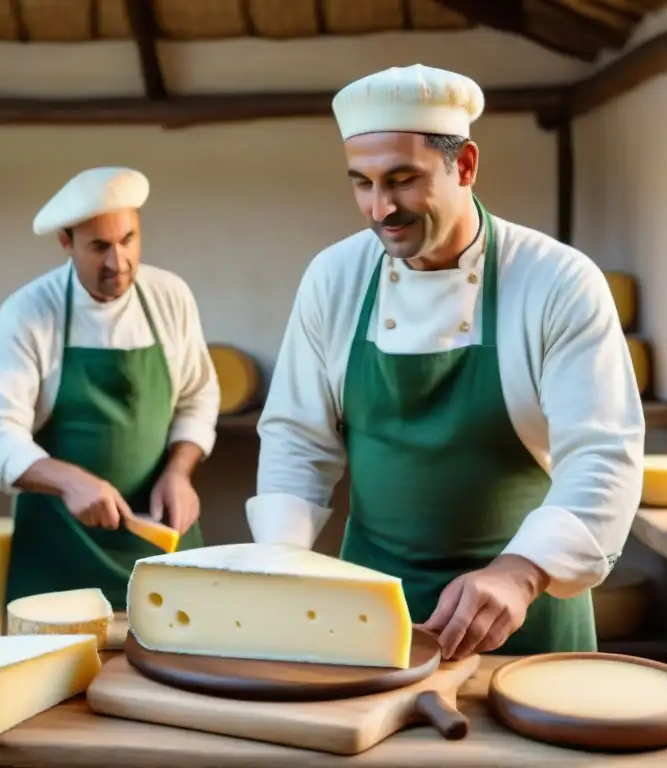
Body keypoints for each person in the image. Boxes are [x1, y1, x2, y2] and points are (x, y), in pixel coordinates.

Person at [247, 65, 645, 659]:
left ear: (464, 166)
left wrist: (522, 572)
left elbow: (602, 453)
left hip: (518, 617)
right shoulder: (334, 277)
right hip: (371, 610)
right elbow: (297, 439)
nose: (381, 209)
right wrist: (280, 561)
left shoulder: (555, 281)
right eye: (362, 183)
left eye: (403, 181)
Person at [0, 166, 220, 608]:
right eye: (99, 247)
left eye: (128, 240)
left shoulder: (170, 295)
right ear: (65, 243)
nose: (118, 262)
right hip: (59, 554)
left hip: (161, 545)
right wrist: (67, 481)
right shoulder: (29, 311)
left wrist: (179, 471)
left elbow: (197, 397)